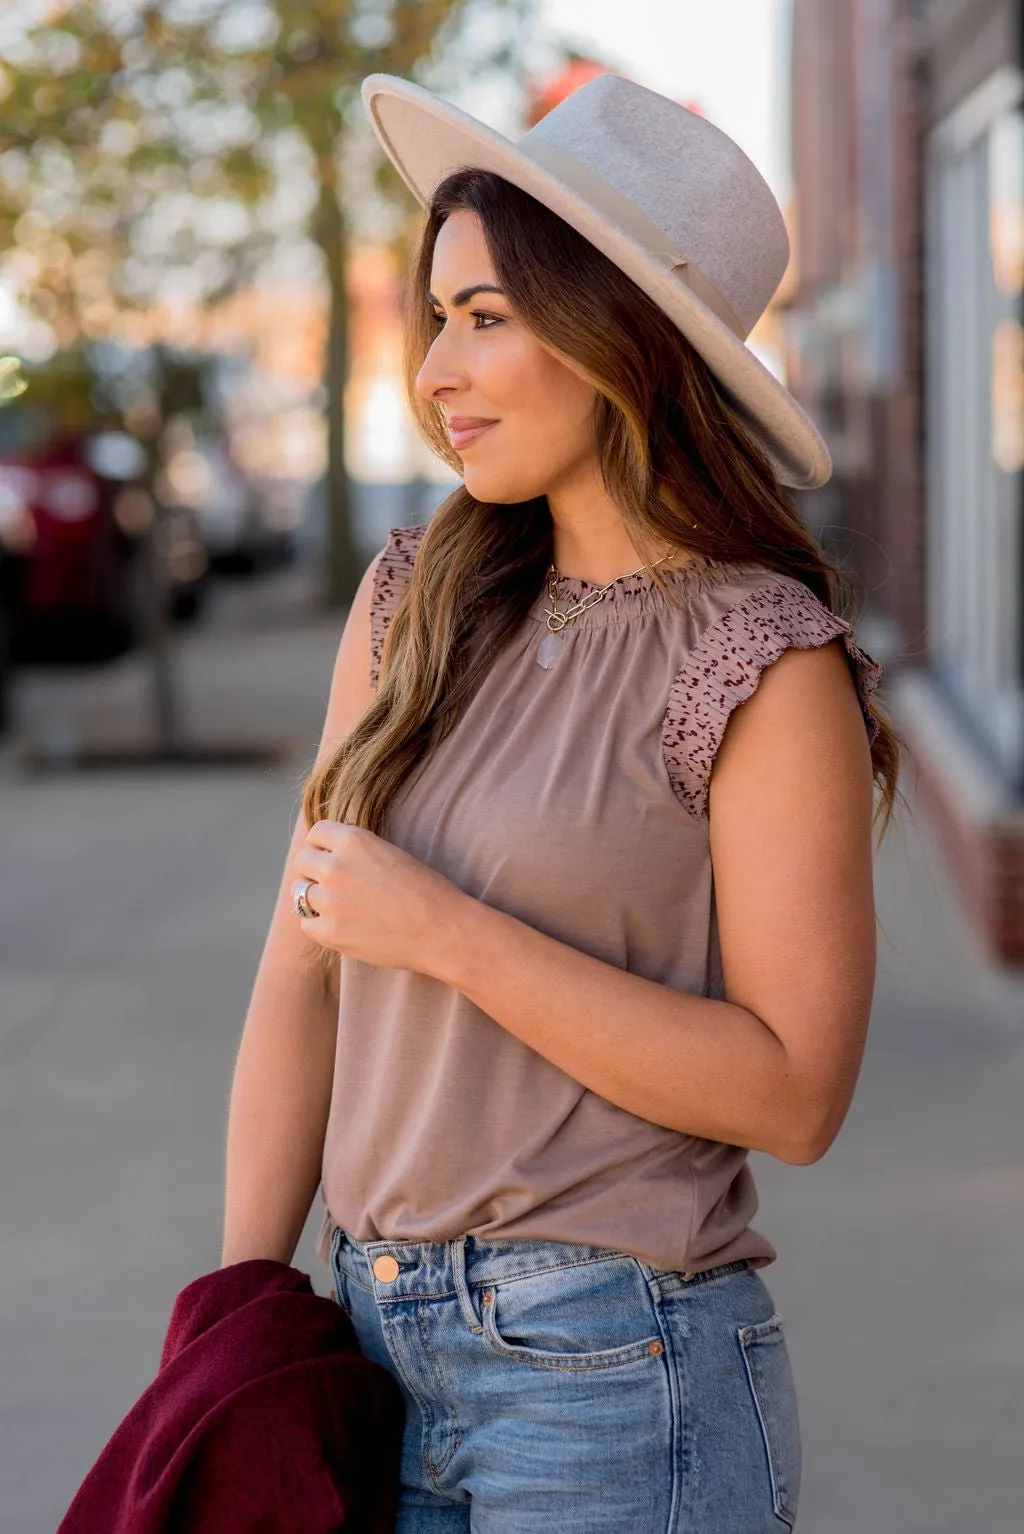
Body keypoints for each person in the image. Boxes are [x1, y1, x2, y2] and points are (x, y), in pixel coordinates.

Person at [221, 70, 900, 1532]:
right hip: (370, 1342)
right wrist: (238, 1310)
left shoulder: (762, 661)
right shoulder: (412, 601)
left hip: (613, 1373)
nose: (435, 373)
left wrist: (452, 934)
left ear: (622, 340)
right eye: (437, 317)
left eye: (487, 319)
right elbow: (302, 979)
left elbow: (794, 1091)